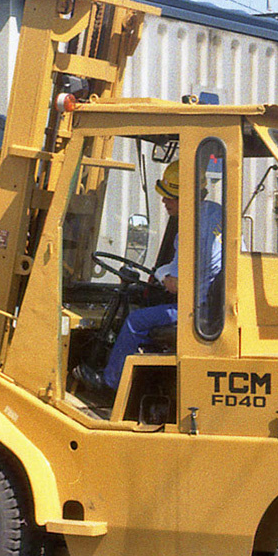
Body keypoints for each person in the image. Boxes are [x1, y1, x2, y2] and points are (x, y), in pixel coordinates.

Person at [77, 160, 222, 391]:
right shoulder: (214, 214)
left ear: (186, 196)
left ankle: (110, 382)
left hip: (195, 307)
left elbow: (178, 285)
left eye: (169, 196)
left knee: (136, 321)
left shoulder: (193, 230)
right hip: (208, 303)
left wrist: (167, 279)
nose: (164, 201)